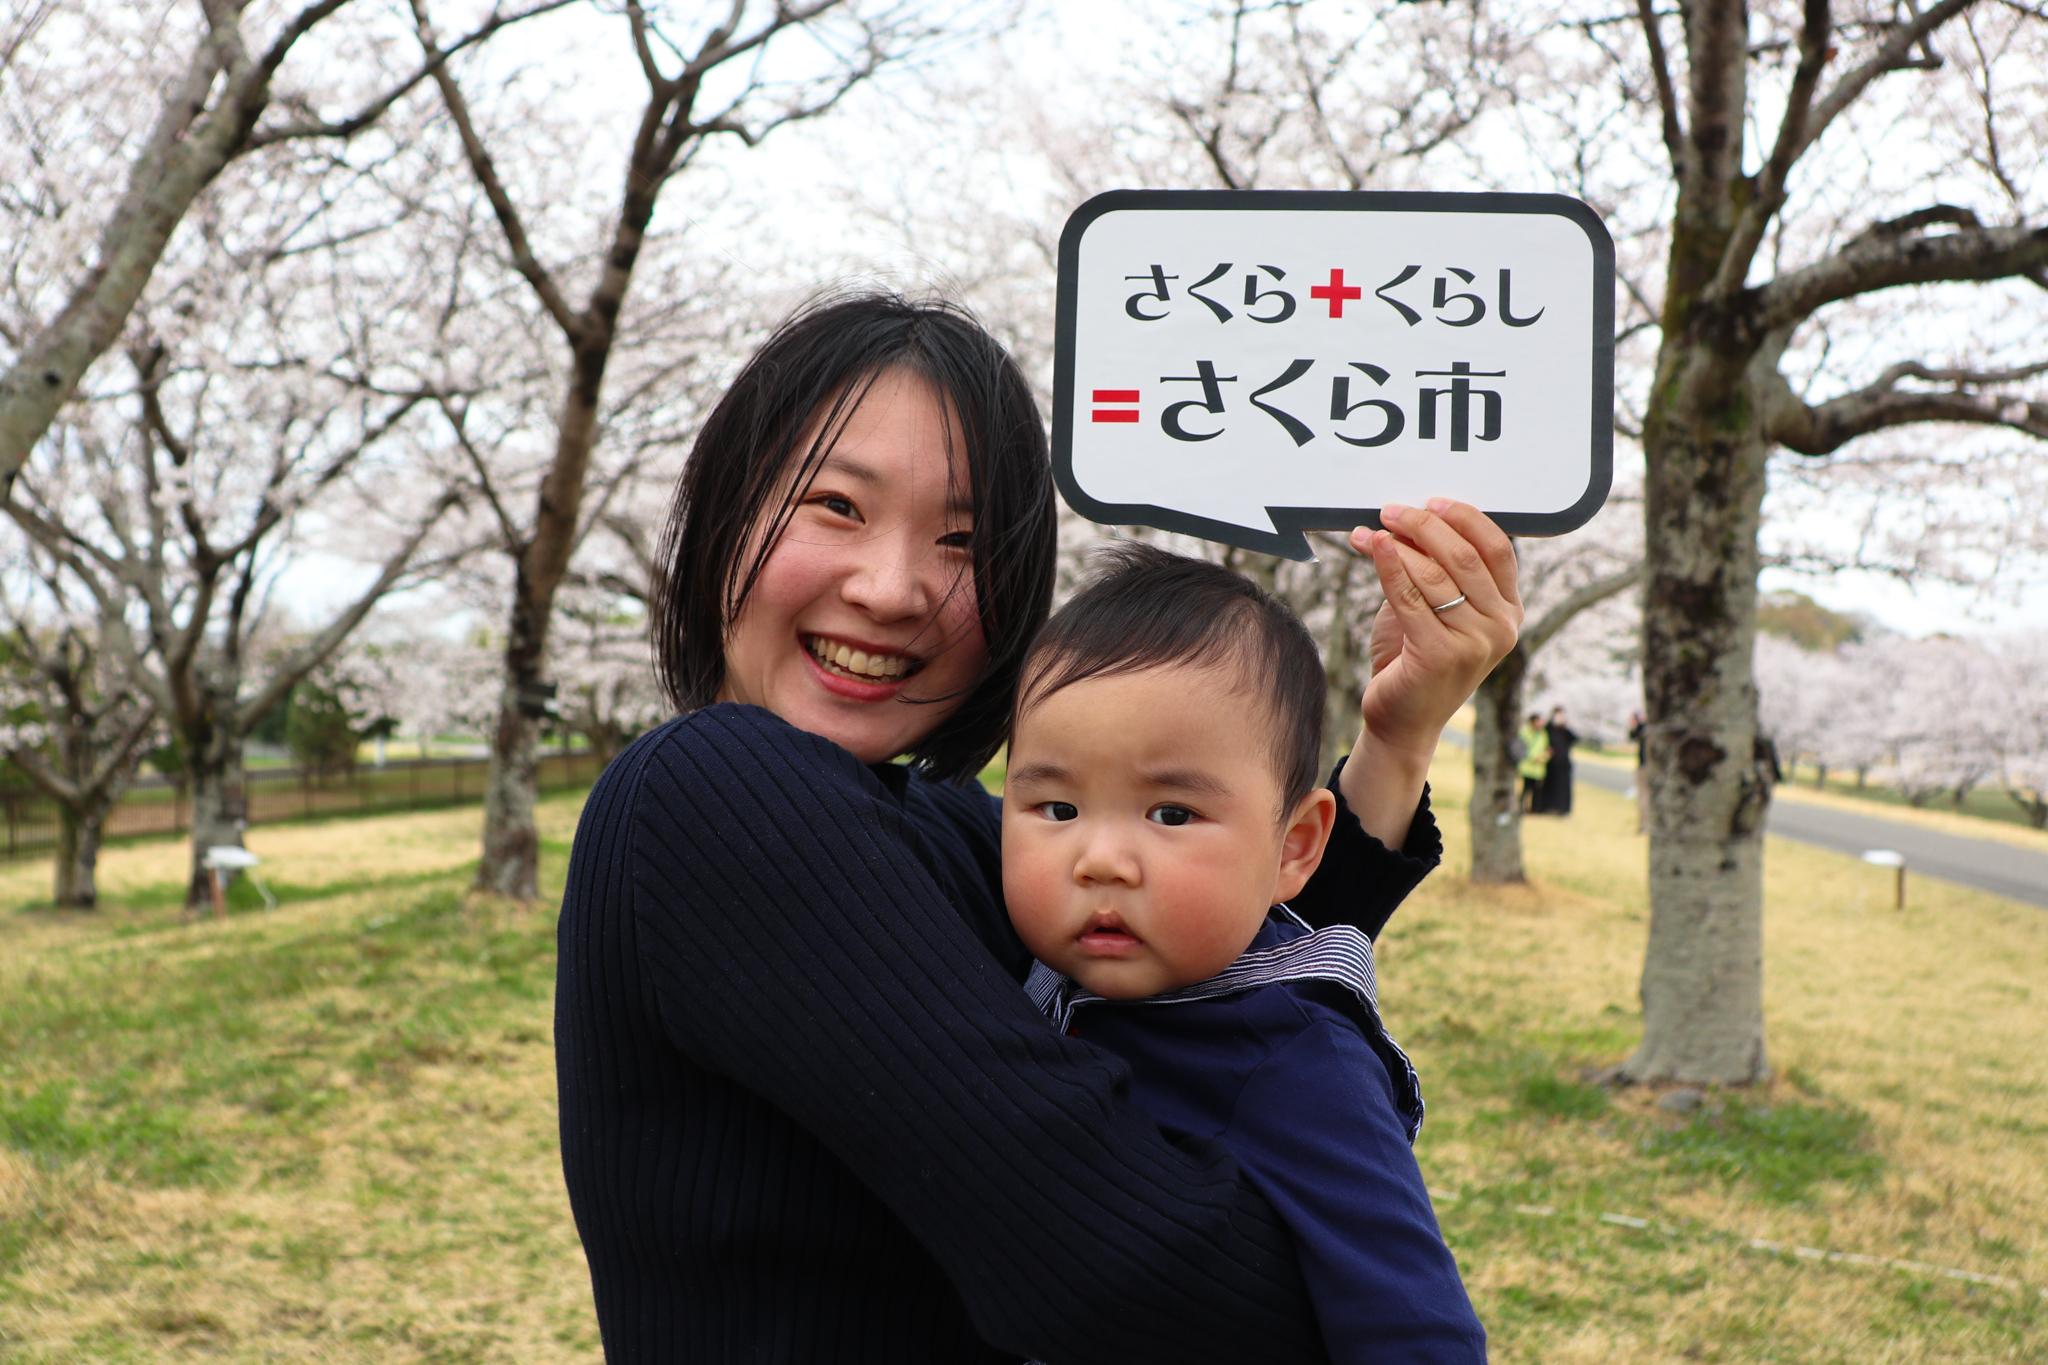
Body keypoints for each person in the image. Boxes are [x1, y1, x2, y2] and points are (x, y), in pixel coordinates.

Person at [553, 291, 1523, 1363]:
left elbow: (1213, 967)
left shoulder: (956, 823)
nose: (891, 589)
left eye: (962, 539)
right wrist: (1358, 1269)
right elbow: (1124, 1271)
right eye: (836, 505)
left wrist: (1398, 736)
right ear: (725, 514)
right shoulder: (714, 793)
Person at [1002, 545, 1487, 1363]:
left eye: (1171, 813)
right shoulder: (1008, 944)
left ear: (1295, 846)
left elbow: (1419, 1331)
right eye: (1057, 807)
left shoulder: (1299, 1059)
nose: (1100, 860)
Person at [1541, 705, 1578, 816]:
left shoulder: (1564, 730)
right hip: (1551, 763)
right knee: (1550, 786)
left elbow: (1575, 739)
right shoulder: (1548, 728)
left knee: (1564, 787)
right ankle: (1548, 807)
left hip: (1564, 763)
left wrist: (1565, 726)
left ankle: (1563, 808)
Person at [1517, 711, 1550, 814]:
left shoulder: (1543, 734)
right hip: (1526, 767)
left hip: (1538, 769)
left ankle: (1533, 809)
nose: (1540, 724)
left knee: (1535, 791)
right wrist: (1533, 758)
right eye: (1538, 721)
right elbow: (1520, 749)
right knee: (1525, 790)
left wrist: (1544, 757)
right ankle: (1519, 808)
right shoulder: (1524, 733)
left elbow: (1547, 749)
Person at [1628, 709, 1649, 833]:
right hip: (1643, 766)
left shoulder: (1646, 728)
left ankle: (1645, 825)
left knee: (1644, 796)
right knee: (1643, 796)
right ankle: (1644, 824)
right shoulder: (1643, 727)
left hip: (1645, 767)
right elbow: (1632, 736)